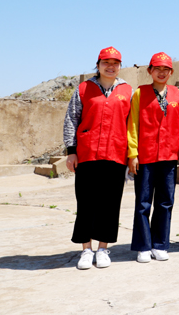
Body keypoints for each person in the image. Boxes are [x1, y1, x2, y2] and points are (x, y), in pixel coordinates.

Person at [63, 46, 132, 270]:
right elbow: (72, 119)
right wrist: (71, 151)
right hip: (87, 153)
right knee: (86, 203)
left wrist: (132, 154)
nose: (110, 67)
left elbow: (132, 125)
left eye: (115, 63)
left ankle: (103, 248)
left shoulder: (127, 91)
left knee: (110, 204)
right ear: (98, 65)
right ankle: (86, 249)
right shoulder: (84, 88)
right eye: (106, 63)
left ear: (120, 66)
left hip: (115, 154)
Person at [127, 52, 179, 263]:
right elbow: (132, 124)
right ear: (150, 70)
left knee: (165, 202)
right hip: (146, 156)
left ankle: (160, 244)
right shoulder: (140, 93)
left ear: (171, 72)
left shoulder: (178, 94)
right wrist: (132, 153)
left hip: (169, 157)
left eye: (165, 69)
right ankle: (143, 246)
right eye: (157, 68)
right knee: (143, 203)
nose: (161, 72)